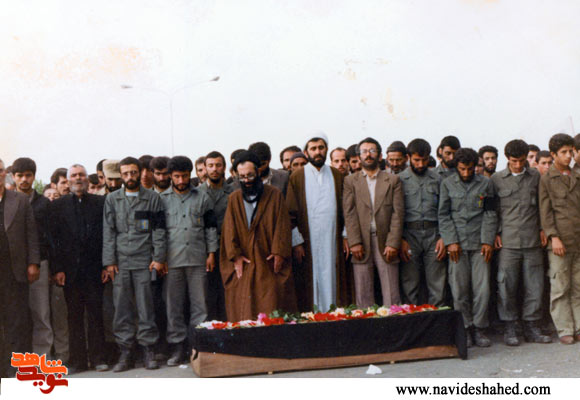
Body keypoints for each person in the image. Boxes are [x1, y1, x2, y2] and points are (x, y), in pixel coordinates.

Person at [103, 157, 167, 371]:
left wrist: (158, 258)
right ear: (120, 175)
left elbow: (158, 230)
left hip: (144, 262)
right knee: (121, 308)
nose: (130, 177)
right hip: (121, 262)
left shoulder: (153, 198)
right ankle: (126, 352)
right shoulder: (112, 200)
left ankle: (148, 350)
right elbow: (108, 232)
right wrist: (109, 261)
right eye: (125, 173)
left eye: (133, 172)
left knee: (145, 307)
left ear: (140, 173)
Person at [220, 151, 296, 321]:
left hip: (267, 259)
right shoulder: (234, 199)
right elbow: (229, 230)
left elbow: (282, 226)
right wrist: (235, 255)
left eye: (250, 175)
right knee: (244, 308)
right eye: (242, 177)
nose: (246, 180)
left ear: (258, 172)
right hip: (245, 259)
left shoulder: (275, 195)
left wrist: (278, 252)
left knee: (271, 303)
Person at [49, 164, 109, 372]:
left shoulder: (100, 203)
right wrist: (57, 269)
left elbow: (106, 236)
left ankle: (99, 358)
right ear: (68, 180)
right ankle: (78, 361)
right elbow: (53, 240)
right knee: (74, 317)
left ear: (87, 179)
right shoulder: (58, 205)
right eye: (73, 175)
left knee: (96, 314)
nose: (78, 178)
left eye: (81, 175)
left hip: (94, 270)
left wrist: (106, 265)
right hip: (70, 272)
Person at [492, 140, 551, 346]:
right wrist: (495, 233)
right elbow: (492, 211)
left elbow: (543, 206)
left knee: (535, 286)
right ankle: (510, 327)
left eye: (522, 161)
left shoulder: (535, 176)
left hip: (532, 240)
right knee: (506, 286)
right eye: (514, 161)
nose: (518, 165)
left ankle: (532, 325)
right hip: (508, 242)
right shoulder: (496, 180)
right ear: (507, 158)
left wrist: (543, 229)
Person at [161, 156, 218, 365]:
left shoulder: (202, 197)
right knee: (173, 305)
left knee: (200, 305)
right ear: (170, 176)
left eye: (185, 176)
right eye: (177, 176)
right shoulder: (161, 199)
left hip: (197, 258)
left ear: (190, 174)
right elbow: (158, 232)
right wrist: (159, 258)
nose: (181, 180)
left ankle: (197, 345)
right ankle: (177, 347)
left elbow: (210, 228)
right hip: (172, 261)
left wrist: (211, 253)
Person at [439, 148, 497, 347]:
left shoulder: (486, 184)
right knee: (459, 289)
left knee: (482, 289)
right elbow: (443, 215)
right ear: (456, 167)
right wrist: (451, 241)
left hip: (480, 243)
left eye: (470, 169)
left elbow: (490, 213)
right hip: (458, 245)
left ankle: (480, 328)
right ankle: (465, 328)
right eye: (462, 169)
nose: (466, 173)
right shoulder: (447, 184)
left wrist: (487, 241)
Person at [286, 133, 351, 312]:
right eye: (313, 148)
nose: (317, 152)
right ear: (306, 152)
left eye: (321, 148)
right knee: (311, 279)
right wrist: (296, 242)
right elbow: (290, 213)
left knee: (333, 276)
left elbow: (346, 209)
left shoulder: (336, 175)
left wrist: (345, 235)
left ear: (326, 149)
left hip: (333, 238)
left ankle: (334, 314)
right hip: (308, 240)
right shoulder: (297, 177)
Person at [343, 137, 403, 308]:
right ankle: (366, 325)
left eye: (372, 151)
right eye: (364, 151)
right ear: (359, 156)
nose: (368, 155)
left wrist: (393, 242)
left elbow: (398, 214)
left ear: (380, 155)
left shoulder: (393, 180)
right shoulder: (350, 181)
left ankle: (393, 324)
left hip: (385, 241)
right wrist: (354, 242)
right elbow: (349, 213)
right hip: (361, 242)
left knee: (392, 294)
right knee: (363, 295)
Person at [539, 133, 580, 345]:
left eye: (570, 151)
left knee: (578, 286)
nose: (568, 156)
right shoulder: (547, 179)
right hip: (560, 242)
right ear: (553, 154)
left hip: (577, 239)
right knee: (561, 286)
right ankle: (565, 328)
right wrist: (553, 237)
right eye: (563, 152)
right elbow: (545, 212)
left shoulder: (577, 175)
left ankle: (578, 326)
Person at [0, 158, 40, 377]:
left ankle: (16, 367)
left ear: (4, 173)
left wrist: (33, 263)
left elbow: (31, 233)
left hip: (15, 270)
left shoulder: (20, 200)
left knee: (17, 320)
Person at [12, 158, 54, 359]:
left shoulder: (44, 204)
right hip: (13, 267)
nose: (24, 180)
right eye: (20, 176)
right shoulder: (7, 202)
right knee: (17, 315)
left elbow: (51, 238)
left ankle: (41, 359)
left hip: (40, 264)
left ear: (34, 176)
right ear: (13, 177)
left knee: (41, 313)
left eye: (28, 175)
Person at [398, 139, 447, 306]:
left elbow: (444, 210)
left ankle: (437, 320)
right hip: (409, 236)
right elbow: (396, 213)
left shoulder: (438, 179)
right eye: (416, 160)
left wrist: (443, 237)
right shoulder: (399, 180)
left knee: (437, 284)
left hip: (434, 235)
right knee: (409, 284)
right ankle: (411, 320)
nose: (421, 164)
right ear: (408, 158)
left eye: (424, 160)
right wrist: (401, 239)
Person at [200, 151, 235, 321]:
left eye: (218, 165)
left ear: (224, 167)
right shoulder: (197, 193)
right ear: (205, 168)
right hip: (204, 250)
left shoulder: (234, 192)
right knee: (207, 293)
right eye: (211, 165)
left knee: (227, 291)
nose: (214, 169)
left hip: (229, 247)